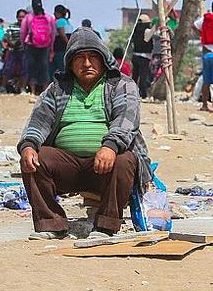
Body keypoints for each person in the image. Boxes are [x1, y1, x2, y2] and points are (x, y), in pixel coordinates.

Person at [18, 28, 152, 240]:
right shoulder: (58, 89)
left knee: (124, 160)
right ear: (70, 63)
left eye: (92, 57)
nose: (87, 64)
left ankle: (106, 227)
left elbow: (126, 121)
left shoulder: (121, 84)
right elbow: (39, 121)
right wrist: (28, 145)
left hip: (106, 166)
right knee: (34, 158)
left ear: (103, 59)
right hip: (67, 166)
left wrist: (110, 147)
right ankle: (51, 224)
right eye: (79, 58)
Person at [20, 0, 56, 95]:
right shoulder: (49, 18)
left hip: (31, 45)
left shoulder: (28, 17)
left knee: (32, 68)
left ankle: (33, 91)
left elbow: (22, 32)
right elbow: (53, 33)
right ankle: (45, 91)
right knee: (44, 68)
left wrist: (23, 44)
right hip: (45, 45)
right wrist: (51, 48)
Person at [130, 13, 154, 98]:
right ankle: (142, 93)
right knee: (143, 76)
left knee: (135, 76)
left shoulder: (135, 31)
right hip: (144, 56)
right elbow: (152, 34)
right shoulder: (147, 31)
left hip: (135, 56)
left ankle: (131, 91)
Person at [53, 4, 72, 75]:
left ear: (57, 13)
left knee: (61, 67)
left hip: (60, 47)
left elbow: (62, 34)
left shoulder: (60, 21)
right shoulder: (67, 22)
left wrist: (68, 44)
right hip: (65, 48)